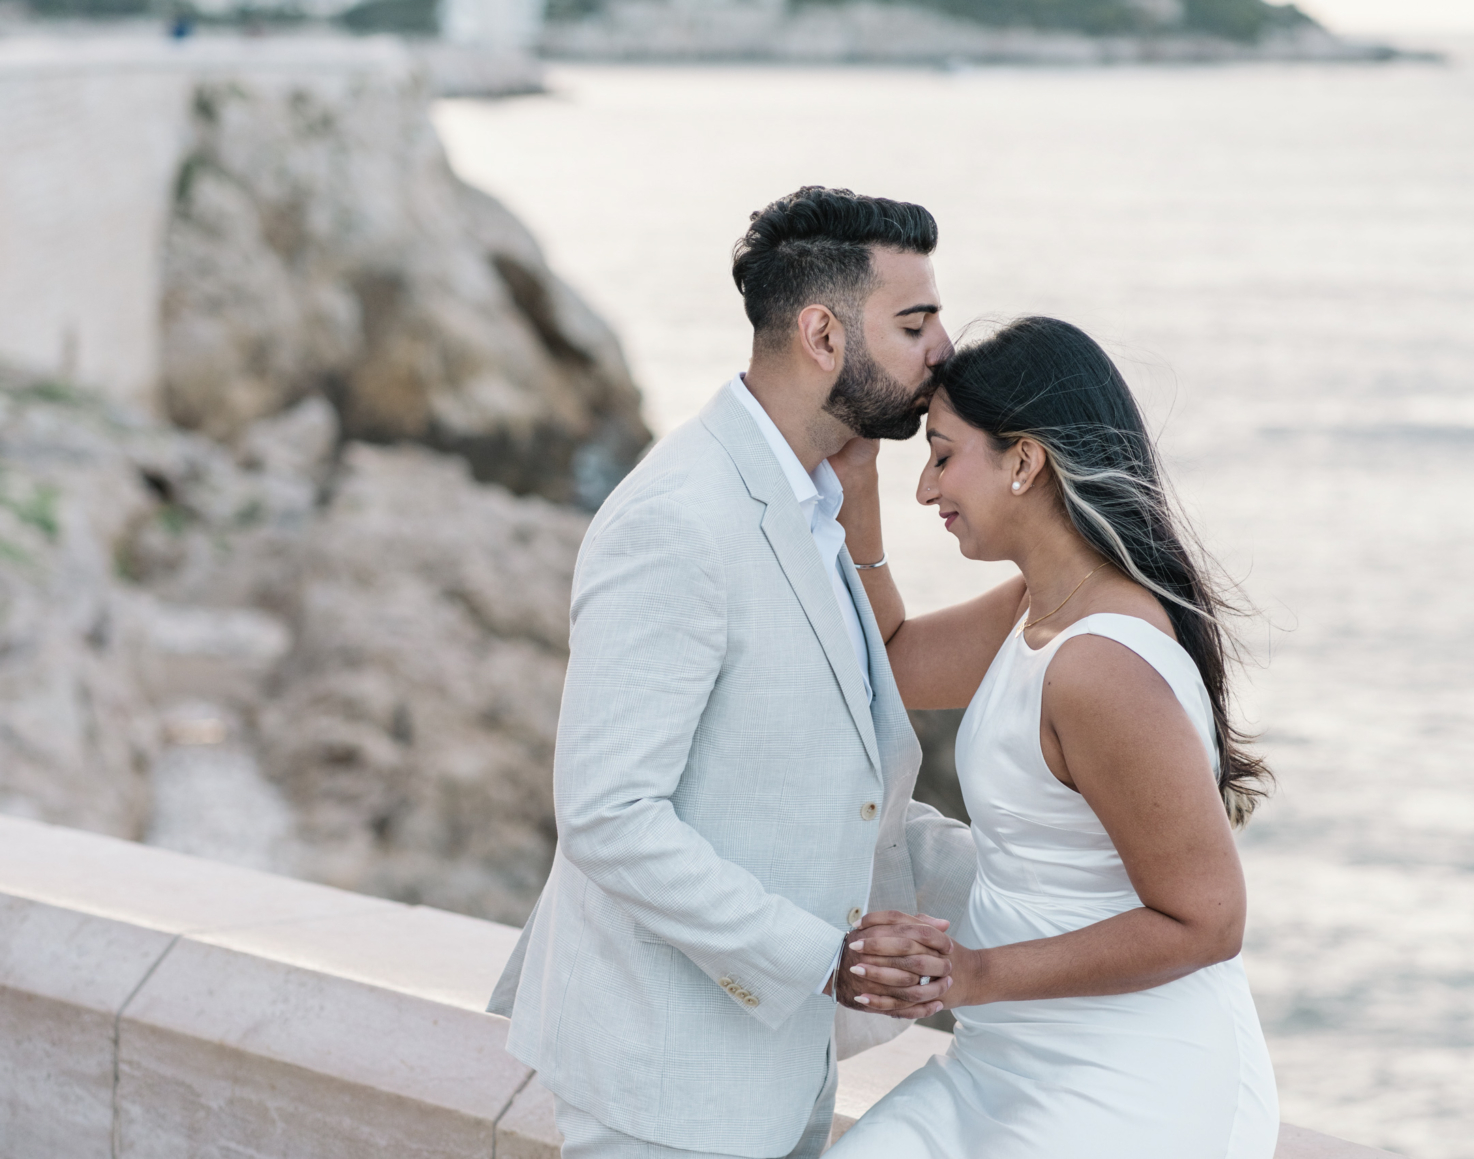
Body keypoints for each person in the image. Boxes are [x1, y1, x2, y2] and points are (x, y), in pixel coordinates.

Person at [485, 187, 975, 1158]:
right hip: (665, 1089)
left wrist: (1068, 880)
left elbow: (834, 790)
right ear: (823, 334)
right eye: (914, 323)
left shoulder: (811, 501)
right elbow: (607, 812)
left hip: (772, 1062)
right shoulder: (678, 521)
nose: (944, 349)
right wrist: (820, 956)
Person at [826, 315, 1281, 1158]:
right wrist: (858, 489)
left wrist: (971, 973)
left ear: (1025, 461)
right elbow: (888, 660)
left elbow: (1209, 919)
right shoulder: (1038, 605)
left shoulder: (1101, 666)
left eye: (943, 453)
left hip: (1127, 1082)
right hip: (1004, 1057)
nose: (927, 488)